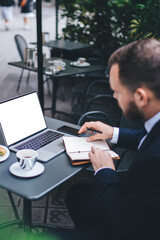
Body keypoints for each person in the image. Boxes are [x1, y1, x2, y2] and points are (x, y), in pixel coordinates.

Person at [41, 38, 160, 240]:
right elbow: (147, 137)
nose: (114, 96)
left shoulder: (155, 162)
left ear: (140, 97)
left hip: (129, 227)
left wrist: (105, 170)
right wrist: (113, 132)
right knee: (77, 194)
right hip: (137, 210)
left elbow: (124, 226)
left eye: (117, 91)